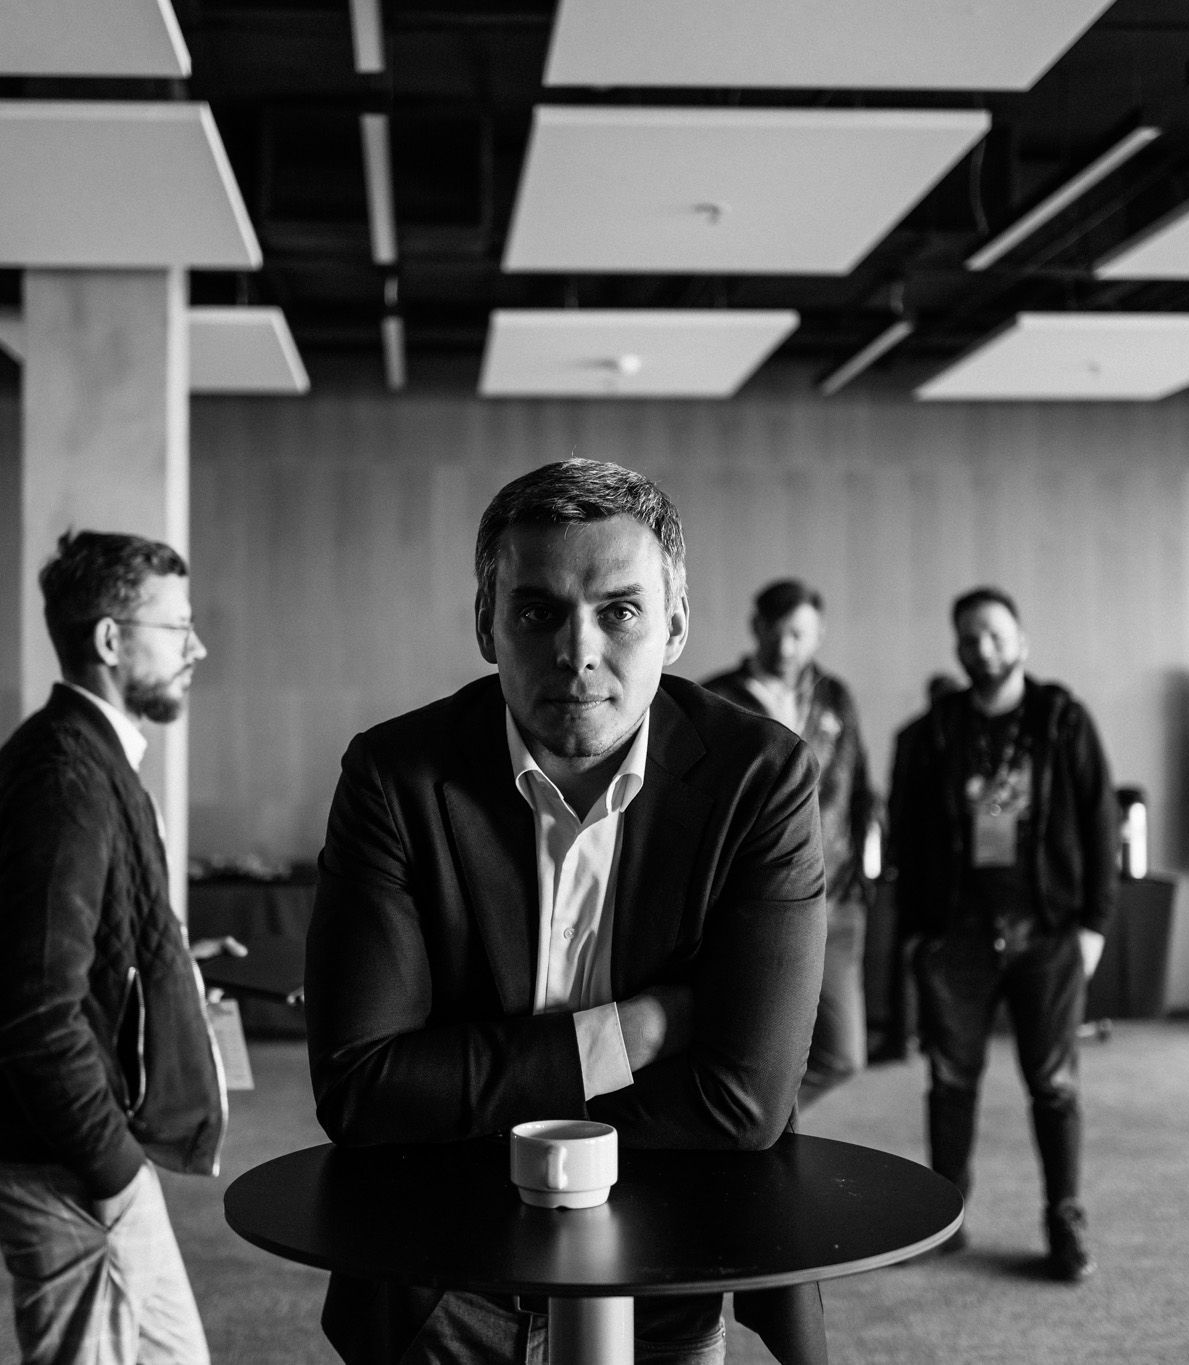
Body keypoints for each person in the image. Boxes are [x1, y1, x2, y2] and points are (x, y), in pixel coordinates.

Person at [305, 459, 828, 1365]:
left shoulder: (761, 777)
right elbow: (360, 1085)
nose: (576, 651)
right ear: (486, 622)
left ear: (676, 624)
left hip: (668, 1265)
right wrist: (631, 1033)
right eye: (537, 612)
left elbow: (745, 1100)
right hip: (444, 1277)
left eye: (619, 611)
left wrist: (462, 1096)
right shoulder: (394, 777)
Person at [0, 530, 226, 1365]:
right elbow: (31, 1014)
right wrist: (114, 1168)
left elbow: (73, 948)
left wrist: (170, 973)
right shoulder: (67, 779)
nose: (197, 648)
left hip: (72, 1154)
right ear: (110, 639)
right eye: (177, 627)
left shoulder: (82, 758)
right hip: (65, 1165)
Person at [885, 586, 1118, 1282]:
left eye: (993, 634)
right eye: (968, 638)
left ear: (1021, 642)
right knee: (951, 1081)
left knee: (1054, 1083)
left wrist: (1095, 925)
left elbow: (1101, 822)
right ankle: (946, 1217)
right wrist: (915, 937)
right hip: (956, 934)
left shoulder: (1062, 720)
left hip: (1048, 931)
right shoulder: (933, 732)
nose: (981, 648)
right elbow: (906, 839)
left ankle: (1064, 1217)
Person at [703, 579, 877, 1107]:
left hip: (835, 898)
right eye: (775, 632)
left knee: (843, 1054)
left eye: (799, 634)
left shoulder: (834, 696)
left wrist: (865, 869)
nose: (786, 647)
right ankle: (754, 1128)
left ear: (819, 635)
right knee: (755, 1047)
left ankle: (764, 1122)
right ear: (755, 627)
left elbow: (859, 785)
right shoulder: (716, 698)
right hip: (750, 900)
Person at [869, 673, 967, 1063]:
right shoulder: (965, 734)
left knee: (909, 954)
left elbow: (896, 802)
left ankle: (903, 1037)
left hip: (917, 861)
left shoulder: (909, 734)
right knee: (937, 953)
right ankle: (931, 1035)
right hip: (947, 866)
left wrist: (893, 853)